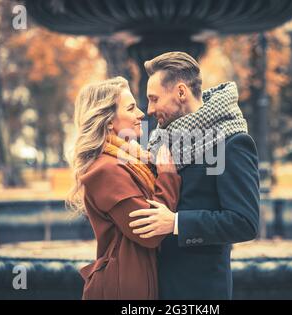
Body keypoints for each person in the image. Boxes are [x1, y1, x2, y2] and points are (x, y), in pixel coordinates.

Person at [128, 52, 260, 299]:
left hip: (199, 291)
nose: (150, 109)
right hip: (157, 286)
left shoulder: (231, 142)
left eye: (154, 99)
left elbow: (245, 222)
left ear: (180, 92)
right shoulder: (160, 142)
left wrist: (176, 223)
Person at [67, 76, 181, 300]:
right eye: (130, 108)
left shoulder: (130, 160)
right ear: (109, 121)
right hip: (123, 290)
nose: (140, 113)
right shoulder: (105, 170)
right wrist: (168, 176)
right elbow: (148, 231)